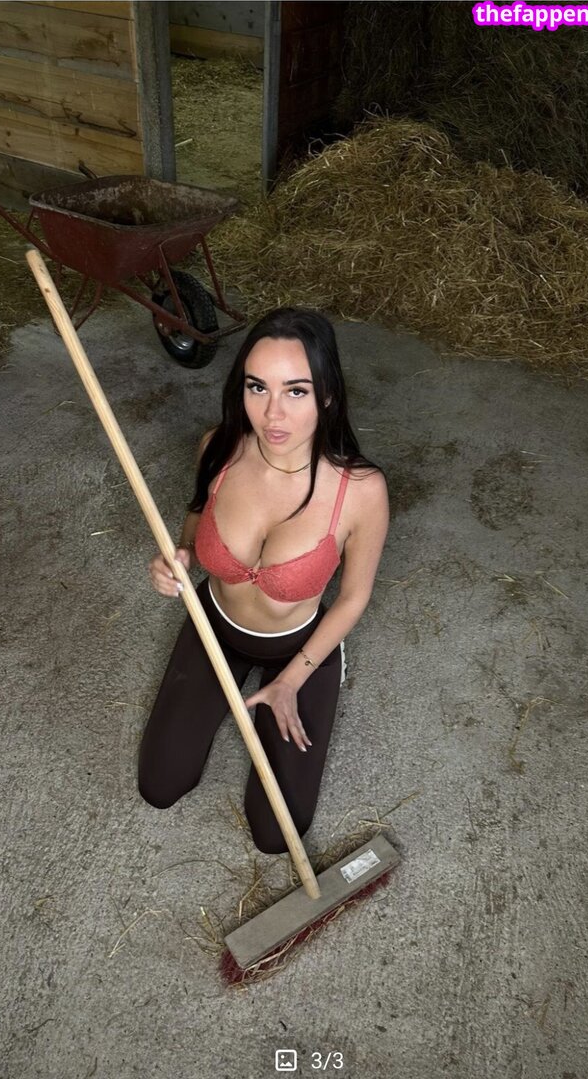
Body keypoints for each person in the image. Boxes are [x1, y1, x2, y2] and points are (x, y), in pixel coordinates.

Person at [138, 308, 389, 854]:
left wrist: (292, 681)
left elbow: (353, 598)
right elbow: (197, 515)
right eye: (258, 387)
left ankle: (308, 677)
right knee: (159, 786)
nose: (273, 413)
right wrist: (179, 557)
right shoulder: (220, 448)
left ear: (327, 395)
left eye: (296, 391)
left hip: (299, 648)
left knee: (277, 835)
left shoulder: (361, 490)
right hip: (214, 627)